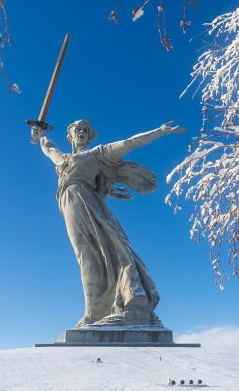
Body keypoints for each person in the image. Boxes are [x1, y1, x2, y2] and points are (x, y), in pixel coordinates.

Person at [31, 119, 185, 327]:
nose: (82, 132)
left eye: (85, 130)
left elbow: (129, 143)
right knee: (85, 255)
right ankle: (96, 310)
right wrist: (40, 134)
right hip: (70, 205)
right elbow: (48, 148)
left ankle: (97, 311)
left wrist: (159, 131)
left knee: (104, 251)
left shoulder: (96, 155)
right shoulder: (63, 160)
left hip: (88, 203)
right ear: (71, 136)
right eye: (78, 130)